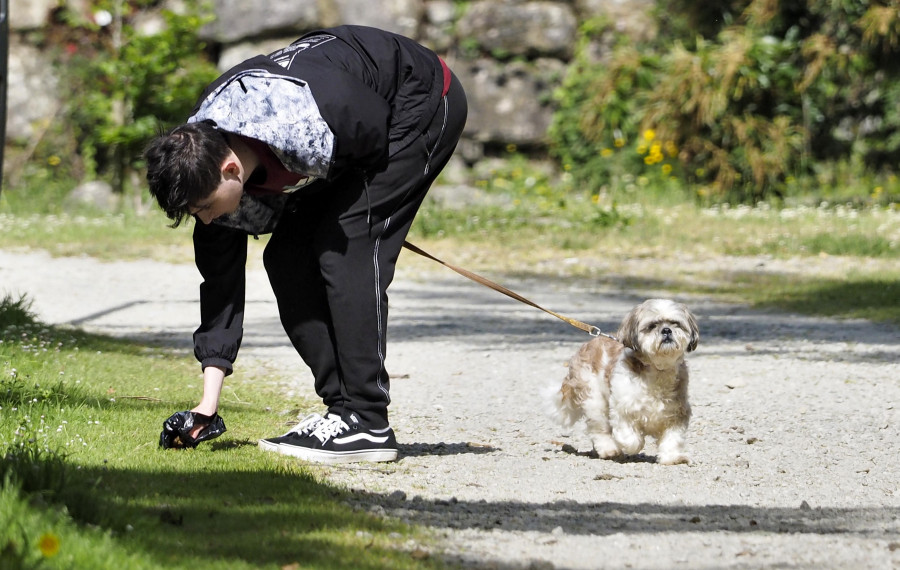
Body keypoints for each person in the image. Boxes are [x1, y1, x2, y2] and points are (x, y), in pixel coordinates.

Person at [146, 25, 467, 463]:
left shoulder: (309, 120)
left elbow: (371, 141)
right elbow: (220, 284)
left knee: (347, 240)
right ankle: (342, 412)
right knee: (287, 255)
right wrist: (208, 404)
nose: (204, 218)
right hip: (352, 121)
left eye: (203, 207)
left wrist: (373, 217)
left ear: (232, 170)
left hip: (420, 98)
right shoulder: (201, 156)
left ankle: (367, 420)